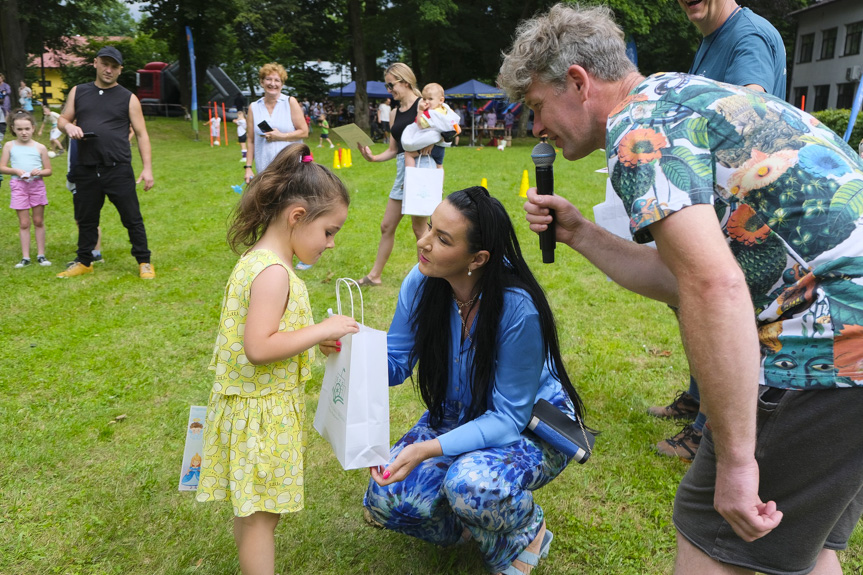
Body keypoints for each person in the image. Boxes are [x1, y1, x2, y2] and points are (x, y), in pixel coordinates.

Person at [499, 4, 863, 574]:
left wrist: (738, 462)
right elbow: (685, 277)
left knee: (709, 541)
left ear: (578, 81)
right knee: (807, 544)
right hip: (851, 347)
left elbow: (712, 285)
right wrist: (580, 234)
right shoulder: (677, 94)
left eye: (537, 107)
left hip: (825, 344)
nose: (536, 128)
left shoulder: (637, 132)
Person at [363, 187, 590, 575]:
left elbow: (507, 418)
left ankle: (526, 532)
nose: (424, 241)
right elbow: (396, 363)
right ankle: (474, 524)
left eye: (442, 239)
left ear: (478, 258)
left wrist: (425, 449)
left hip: (527, 425)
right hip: (458, 415)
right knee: (388, 497)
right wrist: (351, 353)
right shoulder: (421, 283)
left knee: (471, 485)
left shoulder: (517, 308)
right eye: (430, 228)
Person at [196, 143, 359, 575]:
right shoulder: (273, 274)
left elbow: (270, 335)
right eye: (329, 231)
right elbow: (259, 346)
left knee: (255, 511)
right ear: (297, 217)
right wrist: (323, 329)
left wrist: (310, 340)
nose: (331, 243)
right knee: (260, 519)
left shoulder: (260, 260)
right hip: (260, 415)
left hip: (256, 408)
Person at [649, 0, 787, 462]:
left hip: (747, 205)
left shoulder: (746, 38)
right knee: (690, 297)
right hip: (717, 198)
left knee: (721, 309)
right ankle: (696, 396)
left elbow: (749, 111)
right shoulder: (713, 37)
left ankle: (708, 431)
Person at [56, 46, 155, 279]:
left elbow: (141, 134)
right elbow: (62, 119)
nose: (108, 70)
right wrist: (68, 126)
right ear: (96, 63)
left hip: (117, 167)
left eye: (114, 66)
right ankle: (84, 261)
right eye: (105, 64)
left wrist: (147, 168)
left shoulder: (128, 98)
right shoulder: (78, 91)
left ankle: (144, 261)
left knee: (132, 217)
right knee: (86, 217)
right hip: (86, 167)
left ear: (120, 70)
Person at [356, 63, 429, 287]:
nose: (389, 90)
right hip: (402, 170)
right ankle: (374, 276)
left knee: (420, 229)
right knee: (387, 225)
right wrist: (373, 157)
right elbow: (392, 149)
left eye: (391, 84)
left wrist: (415, 168)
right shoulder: (395, 112)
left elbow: (436, 137)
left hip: (419, 169)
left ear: (405, 81)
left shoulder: (423, 105)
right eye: (387, 86)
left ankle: (428, 278)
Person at [0, 110, 53, 267]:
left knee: (38, 220)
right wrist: (15, 171)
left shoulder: (40, 147)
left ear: (33, 128)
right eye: (20, 129)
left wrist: (40, 172)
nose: (24, 132)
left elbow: (48, 171)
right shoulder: (10, 146)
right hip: (18, 186)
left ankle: (41, 255)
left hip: (36, 185)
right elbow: (1, 167)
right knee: (24, 223)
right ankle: (25, 257)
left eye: (27, 129)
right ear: (13, 129)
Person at [244, 62, 308, 184]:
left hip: (291, 168)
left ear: (282, 84)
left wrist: (280, 136)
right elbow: (251, 140)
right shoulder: (254, 107)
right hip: (265, 169)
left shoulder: (290, 102)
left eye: (277, 80)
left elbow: (304, 132)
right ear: (262, 82)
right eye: (268, 79)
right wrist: (248, 168)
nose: (272, 84)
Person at [400, 82, 460, 169]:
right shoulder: (446, 110)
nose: (427, 102)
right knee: (439, 165)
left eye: (430, 99)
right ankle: (440, 182)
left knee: (408, 154)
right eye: (424, 99)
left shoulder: (431, 113)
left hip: (431, 147)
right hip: (441, 148)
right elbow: (456, 128)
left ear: (441, 100)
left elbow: (420, 125)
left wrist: (420, 110)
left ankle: (410, 176)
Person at [0, 73, 10, 145]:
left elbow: (9, 91)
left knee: (5, 112)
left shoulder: (6, 85)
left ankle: (5, 127)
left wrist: (4, 93)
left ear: (2, 78)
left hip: (5, 100)